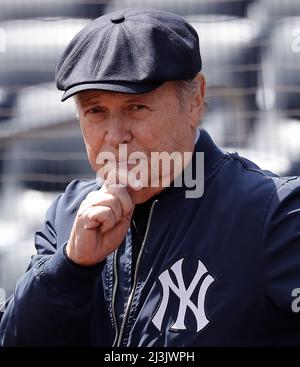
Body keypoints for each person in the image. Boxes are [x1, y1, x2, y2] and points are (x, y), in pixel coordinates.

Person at [1, 8, 300, 347]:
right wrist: (71, 267)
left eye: (136, 107)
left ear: (195, 99)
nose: (115, 136)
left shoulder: (273, 213)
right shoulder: (66, 214)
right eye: (95, 111)